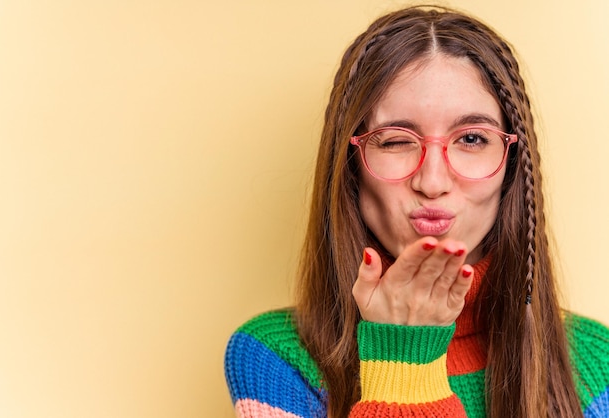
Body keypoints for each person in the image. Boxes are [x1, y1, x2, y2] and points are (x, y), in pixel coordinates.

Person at [224, 5, 609, 417]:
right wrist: (402, 357)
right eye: (395, 141)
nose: (432, 180)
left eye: (473, 139)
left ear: (513, 165)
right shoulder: (274, 359)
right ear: (350, 165)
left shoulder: (594, 367)